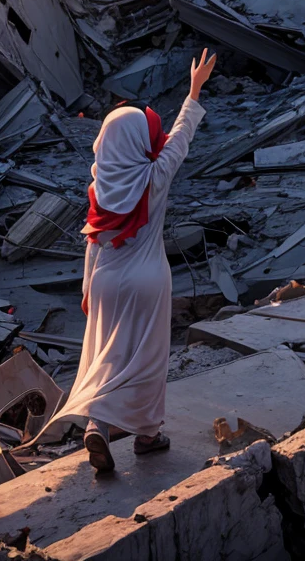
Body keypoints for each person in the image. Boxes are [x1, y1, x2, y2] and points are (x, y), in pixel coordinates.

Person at [34, 49, 216, 472]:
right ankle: (148, 435)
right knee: (148, 359)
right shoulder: (154, 176)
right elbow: (181, 137)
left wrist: (86, 290)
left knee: (107, 356)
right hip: (148, 280)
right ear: (141, 140)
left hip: (104, 282)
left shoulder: (100, 187)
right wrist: (193, 90)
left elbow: (92, 243)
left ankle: (98, 425)